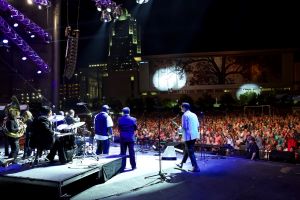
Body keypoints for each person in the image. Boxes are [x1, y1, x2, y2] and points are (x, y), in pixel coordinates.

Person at [176, 102, 200, 172]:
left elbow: (184, 127)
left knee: (190, 152)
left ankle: (196, 167)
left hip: (188, 136)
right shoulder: (194, 114)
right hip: (194, 135)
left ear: (184, 108)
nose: (181, 109)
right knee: (187, 150)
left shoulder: (184, 115)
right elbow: (198, 125)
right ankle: (181, 164)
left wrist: (179, 129)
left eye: (181, 107)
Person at [118, 107, 137, 171]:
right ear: (129, 112)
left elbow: (119, 128)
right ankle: (133, 166)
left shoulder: (120, 119)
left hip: (123, 137)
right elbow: (135, 128)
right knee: (132, 152)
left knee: (123, 152)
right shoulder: (133, 119)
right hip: (130, 138)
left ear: (123, 112)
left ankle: (122, 167)